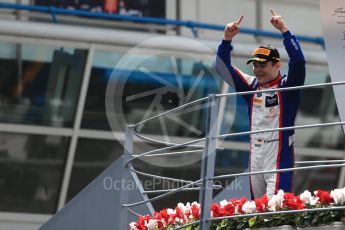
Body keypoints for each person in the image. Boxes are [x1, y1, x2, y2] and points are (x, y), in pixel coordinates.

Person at [215, 10, 306, 199]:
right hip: (255, 156)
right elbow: (221, 68)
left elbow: (299, 62)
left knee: (275, 208)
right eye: (255, 65)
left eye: (262, 65)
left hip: (279, 158)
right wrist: (226, 40)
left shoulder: (288, 87)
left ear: (277, 65)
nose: (257, 70)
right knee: (256, 209)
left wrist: (284, 30)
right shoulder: (250, 85)